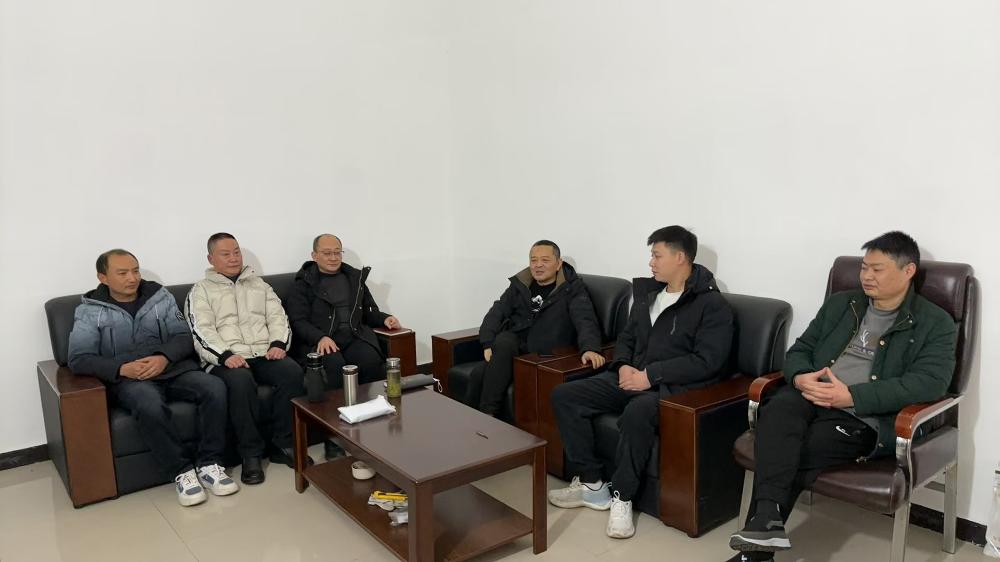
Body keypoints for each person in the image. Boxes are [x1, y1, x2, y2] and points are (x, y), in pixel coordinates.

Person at [728, 231, 957, 561]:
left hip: (862, 415)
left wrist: (852, 396)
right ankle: (766, 522)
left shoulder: (935, 323)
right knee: (776, 411)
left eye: (877, 269)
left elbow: (929, 384)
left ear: (908, 271)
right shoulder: (842, 304)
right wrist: (801, 376)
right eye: (864, 267)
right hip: (810, 396)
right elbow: (800, 350)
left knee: (792, 449)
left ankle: (755, 552)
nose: (866, 276)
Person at [548, 226, 734, 539]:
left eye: (657, 255)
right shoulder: (649, 295)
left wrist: (650, 376)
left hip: (672, 390)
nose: (651, 262)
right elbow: (627, 337)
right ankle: (593, 483)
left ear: (680, 257)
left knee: (637, 412)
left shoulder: (711, 306)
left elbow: (708, 361)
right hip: (631, 376)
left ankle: (622, 497)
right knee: (565, 395)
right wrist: (622, 365)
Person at [68, 249, 237, 506]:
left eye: (135, 271)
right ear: (103, 278)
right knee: (148, 403)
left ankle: (210, 463)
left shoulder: (160, 297)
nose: (132, 278)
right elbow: (78, 358)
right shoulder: (89, 311)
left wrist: (164, 357)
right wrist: (121, 368)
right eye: (122, 273)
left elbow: (183, 336)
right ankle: (181, 471)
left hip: (172, 369)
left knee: (214, 387)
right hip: (130, 378)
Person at [186, 233, 306, 485]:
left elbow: (278, 317)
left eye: (236, 252)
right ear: (211, 259)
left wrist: (278, 344)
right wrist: (225, 355)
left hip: (263, 352)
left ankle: (283, 444)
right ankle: (251, 454)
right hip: (225, 358)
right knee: (240, 381)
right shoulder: (200, 291)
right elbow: (201, 331)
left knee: (291, 371)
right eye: (225, 254)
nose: (233, 258)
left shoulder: (259, 285)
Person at [285, 233, 401, 459]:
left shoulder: (354, 278)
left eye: (337, 252)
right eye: (327, 253)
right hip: (322, 342)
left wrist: (385, 319)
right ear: (314, 255)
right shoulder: (303, 284)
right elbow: (297, 321)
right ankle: (333, 437)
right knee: (334, 366)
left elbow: (369, 312)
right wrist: (320, 337)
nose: (333, 258)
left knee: (370, 359)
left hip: (354, 337)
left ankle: (373, 425)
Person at [468, 240, 605, 417]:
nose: (538, 265)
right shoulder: (521, 285)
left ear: (559, 263)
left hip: (543, 353)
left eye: (545, 260)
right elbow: (498, 311)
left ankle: (487, 415)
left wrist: (590, 348)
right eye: (534, 260)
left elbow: (585, 320)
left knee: (502, 344)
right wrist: (487, 342)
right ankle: (472, 420)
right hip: (513, 349)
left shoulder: (572, 289)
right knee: (479, 373)